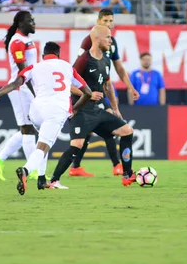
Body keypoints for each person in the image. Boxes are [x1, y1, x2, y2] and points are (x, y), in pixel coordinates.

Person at [0, 42, 93, 193]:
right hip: (57, 110)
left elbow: (16, 83)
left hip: (36, 110)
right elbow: (88, 92)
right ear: (58, 55)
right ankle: (26, 170)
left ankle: (41, 179)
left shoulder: (34, 67)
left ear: (43, 56)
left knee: (42, 141)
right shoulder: (67, 67)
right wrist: (75, 110)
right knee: (43, 146)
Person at [49, 25, 137, 187]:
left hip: (97, 110)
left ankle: (127, 174)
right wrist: (86, 93)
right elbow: (66, 83)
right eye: (108, 37)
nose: (111, 41)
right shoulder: (83, 60)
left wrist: (115, 109)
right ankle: (53, 180)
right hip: (80, 110)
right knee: (77, 146)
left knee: (127, 131)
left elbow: (108, 86)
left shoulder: (105, 60)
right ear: (97, 39)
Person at [70, 8, 140, 178]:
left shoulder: (111, 42)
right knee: (109, 123)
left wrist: (130, 87)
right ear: (98, 22)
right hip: (89, 93)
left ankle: (77, 167)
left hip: (102, 90)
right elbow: (76, 71)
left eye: (111, 21)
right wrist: (84, 93)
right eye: (105, 21)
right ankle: (117, 165)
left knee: (103, 125)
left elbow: (119, 68)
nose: (109, 24)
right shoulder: (88, 42)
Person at [0, 11, 39, 182]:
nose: (34, 22)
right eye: (30, 20)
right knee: (28, 129)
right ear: (20, 23)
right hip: (21, 89)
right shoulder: (17, 42)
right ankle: (33, 170)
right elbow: (24, 74)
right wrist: (36, 92)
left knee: (27, 129)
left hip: (26, 88)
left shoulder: (23, 40)